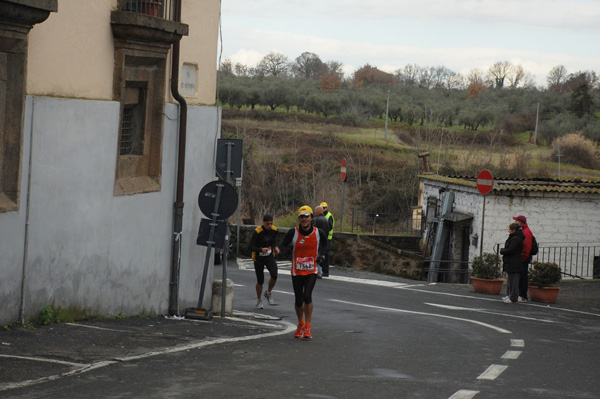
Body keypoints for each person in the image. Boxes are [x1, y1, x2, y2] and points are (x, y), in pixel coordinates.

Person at [280, 205, 328, 339]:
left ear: (312, 218)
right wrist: (283, 250)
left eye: (307, 217)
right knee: (298, 299)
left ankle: (308, 325)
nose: (304, 219)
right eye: (301, 217)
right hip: (297, 270)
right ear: (299, 219)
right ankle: (300, 322)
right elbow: (283, 244)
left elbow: (326, 244)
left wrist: (322, 255)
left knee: (307, 296)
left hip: (311, 269)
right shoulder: (293, 232)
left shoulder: (319, 232)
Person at [248, 214, 280, 309]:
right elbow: (250, 246)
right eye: (267, 224)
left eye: (271, 223)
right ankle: (259, 299)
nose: (269, 226)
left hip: (269, 256)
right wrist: (260, 250)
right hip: (258, 258)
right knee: (260, 280)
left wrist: (276, 247)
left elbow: (273, 241)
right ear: (263, 223)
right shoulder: (258, 232)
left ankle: (268, 292)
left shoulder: (274, 230)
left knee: (274, 275)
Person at [500, 223, 524, 303]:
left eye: (509, 229)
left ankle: (513, 297)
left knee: (514, 281)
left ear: (513, 230)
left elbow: (511, 250)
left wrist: (502, 251)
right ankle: (510, 295)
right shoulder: (515, 238)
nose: (508, 231)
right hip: (511, 262)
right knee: (510, 280)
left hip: (514, 262)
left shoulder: (516, 239)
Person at [513, 215, 533, 302]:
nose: (515, 222)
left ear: (520, 222)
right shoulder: (523, 230)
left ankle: (523, 295)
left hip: (523, 258)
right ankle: (520, 295)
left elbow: (527, 246)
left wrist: (523, 257)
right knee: (520, 276)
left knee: (523, 277)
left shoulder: (526, 232)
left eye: (516, 221)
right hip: (521, 257)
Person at [313, 205, 331, 278]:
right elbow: (329, 228)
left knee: (316, 256)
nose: (314, 212)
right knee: (323, 256)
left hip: (317, 241)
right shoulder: (325, 219)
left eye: (315, 211)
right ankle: (324, 271)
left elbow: (313, 230)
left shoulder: (316, 220)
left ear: (318, 212)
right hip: (324, 240)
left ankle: (318, 272)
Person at [320, 202, 335, 277]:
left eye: (324, 208)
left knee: (325, 255)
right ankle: (321, 270)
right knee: (321, 254)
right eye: (321, 207)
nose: (322, 209)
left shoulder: (329, 216)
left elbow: (330, 227)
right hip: (323, 238)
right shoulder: (321, 215)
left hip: (327, 239)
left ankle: (325, 271)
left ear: (326, 208)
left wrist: (323, 233)